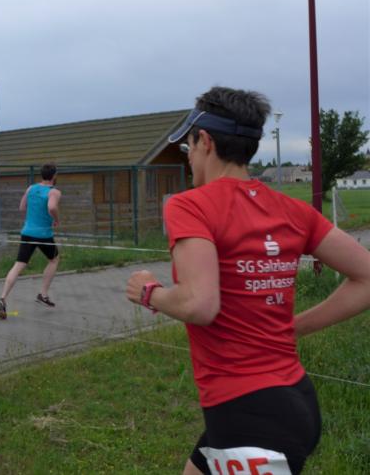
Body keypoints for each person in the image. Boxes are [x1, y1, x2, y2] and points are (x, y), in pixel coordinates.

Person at [125, 86, 370, 474]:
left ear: (206, 142)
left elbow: (200, 304)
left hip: (248, 415)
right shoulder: (293, 210)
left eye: (189, 147)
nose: (189, 158)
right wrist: (295, 327)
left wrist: (149, 293)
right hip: (292, 400)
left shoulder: (190, 205)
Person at [0, 162, 62, 320]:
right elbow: (52, 207)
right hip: (44, 235)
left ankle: (2, 298)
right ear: (54, 176)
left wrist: (35, 214)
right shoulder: (54, 192)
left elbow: (22, 207)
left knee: (19, 265)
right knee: (54, 260)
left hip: (27, 233)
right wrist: (56, 219)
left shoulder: (31, 188)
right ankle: (43, 294)